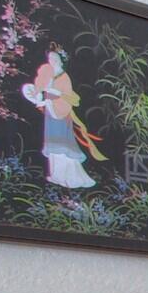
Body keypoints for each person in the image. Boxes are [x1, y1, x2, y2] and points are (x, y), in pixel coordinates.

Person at [23, 49, 105, 188]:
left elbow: (66, 97)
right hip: (51, 114)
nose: (52, 61)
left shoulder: (63, 77)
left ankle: (71, 177)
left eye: (55, 58)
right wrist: (41, 100)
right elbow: (43, 93)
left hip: (61, 114)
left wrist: (53, 97)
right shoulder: (49, 76)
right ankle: (56, 175)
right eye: (50, 58)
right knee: (53, 145)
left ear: (60, 60)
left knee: (63, 145)